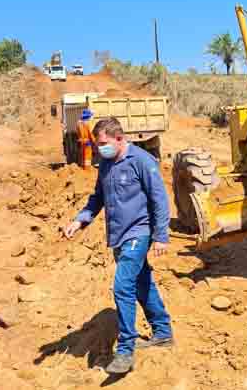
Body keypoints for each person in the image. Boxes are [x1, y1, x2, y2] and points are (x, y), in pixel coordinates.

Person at [63, 117, 173, 375]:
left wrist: (160, 235)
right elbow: (97, 198)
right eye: (97, 143)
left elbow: (159, 199)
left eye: (103, 143)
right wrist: (79, 221)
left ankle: (125, 350)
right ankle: (163, 332)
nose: (100, 148)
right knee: (142, 283)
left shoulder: (142, 162)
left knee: (123, 286)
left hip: (139, 232)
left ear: (120, 139)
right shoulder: (105, 164)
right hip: (118, 235)